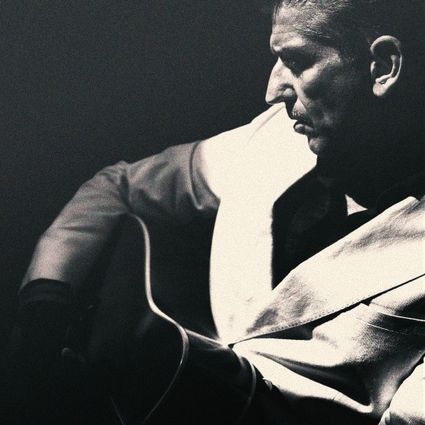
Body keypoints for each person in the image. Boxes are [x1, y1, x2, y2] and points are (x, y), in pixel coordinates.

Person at [15, 0, 425, 424]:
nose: (272, 92)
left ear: (383, 66)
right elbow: (118, 188)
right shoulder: (275, 138)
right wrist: (46, 300)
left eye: (297, 62)